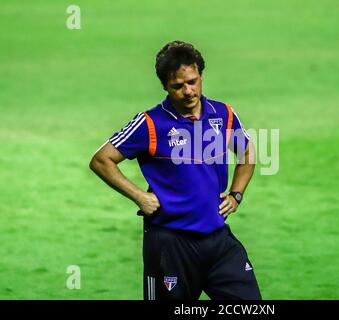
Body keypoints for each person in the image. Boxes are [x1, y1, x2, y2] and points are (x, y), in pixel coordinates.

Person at [89, 40, 261, 300]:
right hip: (170, 244)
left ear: (201, 76)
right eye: (178, 86)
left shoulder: (223, 114)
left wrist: (236, 194)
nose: (188, 91)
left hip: (218, 239)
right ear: (166, 86)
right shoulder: (150, 123)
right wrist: (139, 196)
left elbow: (247, 152)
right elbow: (101, 160)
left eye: (192, 81)